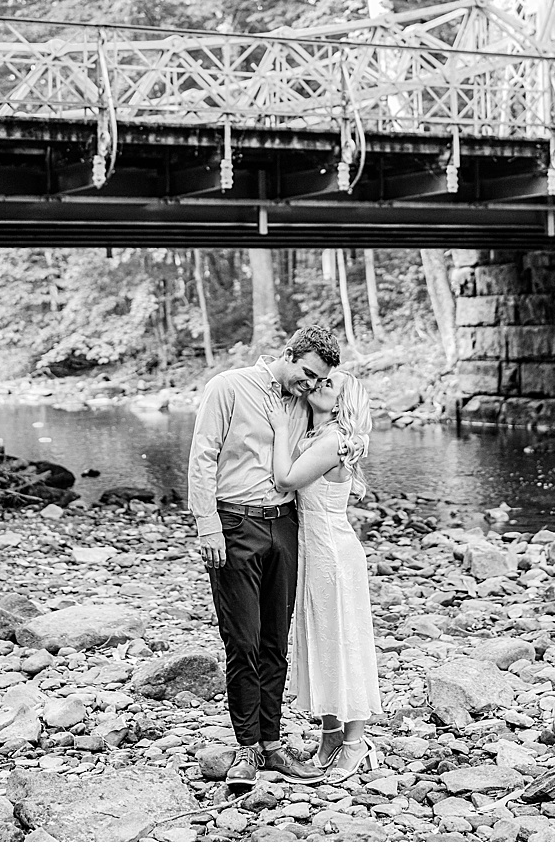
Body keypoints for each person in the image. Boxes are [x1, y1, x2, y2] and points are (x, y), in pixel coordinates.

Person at [187, 325, 340, 787]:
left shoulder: (303, 402)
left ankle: (272, 745)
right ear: (288, 354)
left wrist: (321, 405)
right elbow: (202, 458)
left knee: (276, 639)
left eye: (319, 379)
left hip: (284, 524)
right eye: (308, 374)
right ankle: (246, 747)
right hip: (234, 524)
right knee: (244, 641)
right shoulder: (228, 386)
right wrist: (207, 523)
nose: (310, 384)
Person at [270, 368, 383, 782]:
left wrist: (281, 428)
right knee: (322, 641)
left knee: (342, 641)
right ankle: (331, 734)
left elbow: (285, 479)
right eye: (318, 379)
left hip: (333, 553)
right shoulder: (317, 435)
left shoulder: (334, 439)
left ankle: (355, 743)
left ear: (340, 404)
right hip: (314, 552)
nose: (318, 384)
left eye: (328, 384)